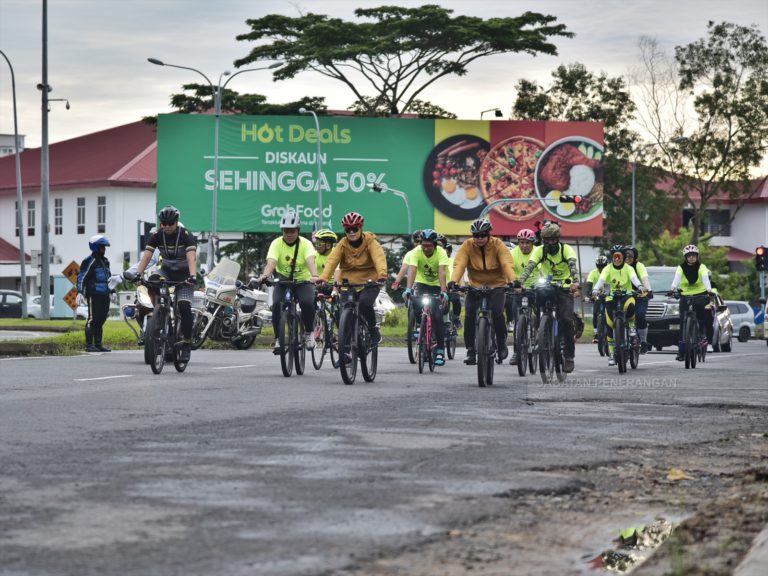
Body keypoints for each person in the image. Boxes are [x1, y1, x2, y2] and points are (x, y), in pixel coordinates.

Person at [448, 218, 516, 366]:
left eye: (483, 235)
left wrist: (513, 281)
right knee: (470, 314)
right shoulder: (467, 245)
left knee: (498, 312)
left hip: (497, 285)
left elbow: (506, 263)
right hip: (475, 285)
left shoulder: (498, 245)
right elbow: (459, 264)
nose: (479, 238)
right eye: (476, 235)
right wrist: (454, 281)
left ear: (489, 234)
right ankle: (471, 350)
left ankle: (501, 343)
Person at [134, 206, 198, 363]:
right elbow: (147, 257)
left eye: (170, 223)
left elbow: (191, 258)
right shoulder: (157, 235)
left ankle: (187, 343)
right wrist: (138, 274)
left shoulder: (186, 235)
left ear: (176, 222)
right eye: (164, 223)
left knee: (184, 306)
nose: (167, 227)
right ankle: (158, 315)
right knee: (153, 280)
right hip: (167, 272)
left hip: (184, 275)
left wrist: (192, 276)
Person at [517, 221, 580, 373]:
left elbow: (572, 266)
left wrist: (575, 282)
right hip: (546, 285)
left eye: (553, 240)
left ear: (557, 239)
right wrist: (520, 283)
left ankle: (569, 357)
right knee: (537, 301)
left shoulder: (566, 250)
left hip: (564, 287)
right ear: (543, 240)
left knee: (566, 319)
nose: (550, 243)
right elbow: (530, 267)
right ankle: (540, 329)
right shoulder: (539, 250)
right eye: (547, 240)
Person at [318, 211, 388, 346]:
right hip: (349, 281)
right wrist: (324, 277)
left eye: (354, 229)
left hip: (370, 280)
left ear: (361, 228)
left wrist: (382, 275)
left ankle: (373, 329)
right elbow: (332, 261)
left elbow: (379, 258)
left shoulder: (370, 241)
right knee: (345, 314)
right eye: (347, 229)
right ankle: (346, 353)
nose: (351, 232)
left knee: (364, 304)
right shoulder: (342, 244)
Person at [254, 211, 319, 352]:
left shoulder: (306, 244)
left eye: (292, 231)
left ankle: (309, 333)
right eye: (286, 231)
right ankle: (278, 339)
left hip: (303, 281)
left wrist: (314, 275)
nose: (289, 234)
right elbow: (271, 262)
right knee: (277, 304)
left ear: (298, 230)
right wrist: (265, 275)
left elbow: (310, 261)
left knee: (307, 303)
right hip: (283, 281)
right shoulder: (276, 243)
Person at [403, 228, 451, 366]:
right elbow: (412, 270)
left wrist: (444, 291)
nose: (426, 248)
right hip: (422, 283)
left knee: (437, 317)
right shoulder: (416, 252)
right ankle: (421, 326)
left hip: (437, 285)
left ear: (435, 245)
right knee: (415, 305)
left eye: (429, 245)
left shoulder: (441, 252)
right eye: (424, 245)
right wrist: (408, 289)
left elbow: (442, 272)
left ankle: (440, 351)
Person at [592, 245, 645, 366]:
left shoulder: (628, 268)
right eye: (614, 257)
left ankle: (631, 327)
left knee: (631, 306)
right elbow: (601, 280)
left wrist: (640, 286)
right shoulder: (607, 268)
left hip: (626, 296)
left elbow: (634, 278)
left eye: (619, 257)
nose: (616, 259)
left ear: (623, 257)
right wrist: (595, 289)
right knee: (610, 325)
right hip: (611, 297)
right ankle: (611, 354)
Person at [670, 244, 712, 361]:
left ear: (697, 256)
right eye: (689, 256)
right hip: (685, 295)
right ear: (686, 257)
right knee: (683, 323)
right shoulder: (681, 267)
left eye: (693, 256)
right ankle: (681, 352)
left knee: (701, 313)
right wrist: (672, 289)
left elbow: (705, 278)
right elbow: (677, 278)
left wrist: (709, 290)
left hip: (701, 294)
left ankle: (701, 334)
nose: (691, 258)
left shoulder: (702, 267)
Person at [76, 234, 113, 352]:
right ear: (96, 247)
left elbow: (109, 277)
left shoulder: (105, 261)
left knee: (101, 319)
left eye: (104, 247)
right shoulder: (89, 261)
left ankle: (98, 344)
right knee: (93, 319)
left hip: (105, 295)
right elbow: (82, 277)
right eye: (102, 247)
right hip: (94, 294)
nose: (104, 249)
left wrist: (113, 290)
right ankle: (89, 345)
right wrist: (80, 292)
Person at [507, 228, 537, 365]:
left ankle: (541, 338)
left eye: (527, 243)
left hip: (536, 289)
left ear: (532, 243)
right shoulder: (512, 254)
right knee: (518, 322)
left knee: (540, 315)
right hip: (518, 290)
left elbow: (544, 269)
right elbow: (507, 270)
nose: (524, 245)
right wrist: (511, 283)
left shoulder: (538, 252)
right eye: (521, 242)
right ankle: (516, 352)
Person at [623, 245, 653, 353]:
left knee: (640, 315)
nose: (627, 259)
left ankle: (643, 341)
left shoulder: (639, 266)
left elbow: (644, 278)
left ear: (635, 258)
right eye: (625, 256)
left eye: (630, 257)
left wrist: (648, 290)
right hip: (624, 296)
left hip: (640, 295)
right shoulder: (619, 266)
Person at [437, 233, 462, 328]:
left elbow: (459, 274)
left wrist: (458, 287)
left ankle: (455, 317)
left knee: (455, 299)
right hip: (436, 287)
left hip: (450, 287)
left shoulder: (453, 261)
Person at [585, 255, 609, 343]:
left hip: (608, 294)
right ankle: (596, 333)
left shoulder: (609, 271)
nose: (601, 268)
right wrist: (587, 296)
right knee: (595, 313)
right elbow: (589, 285)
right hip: (597, 295)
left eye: (603, 266)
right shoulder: (593, 273)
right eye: (599, 267)